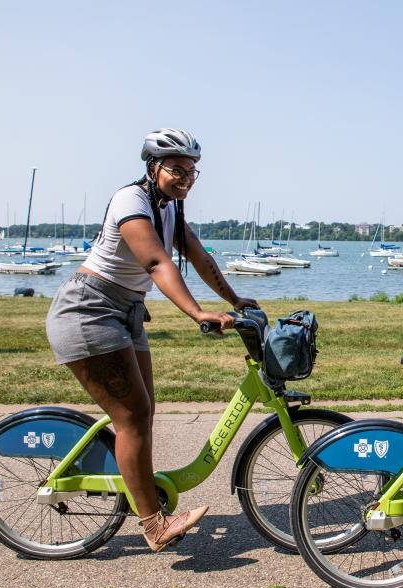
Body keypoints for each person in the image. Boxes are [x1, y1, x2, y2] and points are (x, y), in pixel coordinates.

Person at [46, 128, 258, 552]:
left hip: (125, 311)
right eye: (177, 170)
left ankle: (140, 493)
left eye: (192, 172)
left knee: (143, 414)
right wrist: (198, 313)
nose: (185, 179)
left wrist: (235, 299)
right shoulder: (132, 201)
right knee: (132, 415)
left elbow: (198, 255)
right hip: (90, 309)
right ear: (153, 168)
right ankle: (153, 525)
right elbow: (156, 261)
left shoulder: (171, 210)